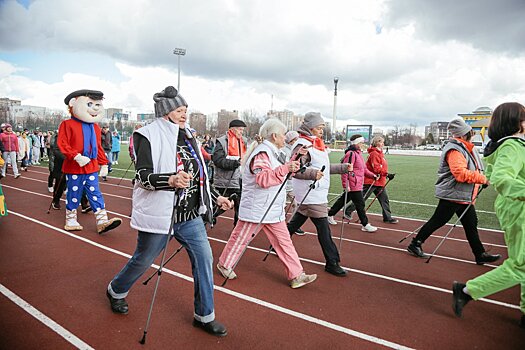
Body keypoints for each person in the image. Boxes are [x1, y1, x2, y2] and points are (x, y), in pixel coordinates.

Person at [107, 86, 231, 336]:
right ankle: (116, 290)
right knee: (143, 259)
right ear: (166, 112)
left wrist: (215, 198)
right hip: (161, 214)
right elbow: (142, 177)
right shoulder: (146, 135)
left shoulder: (189, 136)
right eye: (179, 110)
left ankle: (204, 315)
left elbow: (200, 177)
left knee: (205, 259)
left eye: (186, 110)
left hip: (190, 216)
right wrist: (170, 181)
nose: (185, 114)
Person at [217, 119, 317, 288]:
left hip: (271, 208)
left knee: (284, 242)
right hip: (258, 208)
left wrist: (296, 158)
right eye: (283, 135)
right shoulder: (262, 153)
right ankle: (224, 264)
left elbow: (280, 170)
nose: (285, 138)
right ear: (274, 135)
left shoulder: (272, 152)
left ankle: (297, 275)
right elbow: (263, 179)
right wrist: (287, 168)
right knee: (240, 239)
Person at [452, 102, 525, 328]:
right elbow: (503, 179)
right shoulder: (512, 146)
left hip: (515, 206)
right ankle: (467, 290)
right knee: (520, 265)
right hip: (519, 208)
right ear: (516, 122)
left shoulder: (510, 145)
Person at [406, 118, 501, 265]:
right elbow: (460, 174)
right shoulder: (455, 150)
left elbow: (474, 169)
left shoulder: (466, 148)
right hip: (453, 194)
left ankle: (479, 253)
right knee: (438, 221)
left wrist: (481, 179)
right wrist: (482, 179)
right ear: (463, 134)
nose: (472, 134)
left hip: (462, 195)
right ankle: (415, 244)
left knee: (471, 223)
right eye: (470, 132)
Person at [287, 112, 352, 277]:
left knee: (296, 222)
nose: (322, 130)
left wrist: (343, 168)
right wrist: (312, 174)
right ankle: (332, 261)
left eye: (323, 127)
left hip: (315, 191)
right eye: (319, 127)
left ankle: (278, 244)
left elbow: (323, 168)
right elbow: (294, 169)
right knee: (324, 228)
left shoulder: (316, 144)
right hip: (311, 192)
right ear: (310, 127)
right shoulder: (304, 145)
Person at [58, 89, 121, 234]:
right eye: (90, 104)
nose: (95, 108)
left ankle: (102, 220)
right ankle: (71, 219)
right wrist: (76, 156)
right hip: (74, 167)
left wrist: (104, 162)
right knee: (74, 192)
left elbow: (98, 147)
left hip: (91, 167)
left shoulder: (95, 127)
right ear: (74, 104)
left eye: (97, 104)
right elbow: (63, 143)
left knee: (95, 192)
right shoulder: (67, 124)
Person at [327, 135, 379, 232]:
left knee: (343, 201)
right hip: (353, 184)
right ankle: (365, 224)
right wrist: (346, 185)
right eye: (361, 143)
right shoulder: (351, 154)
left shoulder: (358, 153)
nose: (362, 144)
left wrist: (372, 175)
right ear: (356, 143)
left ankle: (330, 215)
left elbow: (363, 169)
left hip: (358, 183)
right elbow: (345, 169)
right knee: (360, 204)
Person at [343, 135, 398, 224]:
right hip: (371, 181)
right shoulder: (374, 154)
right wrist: (386, 174)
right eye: (380, 141)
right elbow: (376, 168)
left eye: (383, 141)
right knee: (362, 199)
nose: (383, 143)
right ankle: (348, 210)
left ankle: (387, 217)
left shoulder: (380, 153)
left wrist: (385, 174)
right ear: (376, 143)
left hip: (380, 181)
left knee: (384, 199)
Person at [212, 119, 248, 226]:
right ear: (232, 129)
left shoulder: (243, 141)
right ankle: (207, 218)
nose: (242, 132)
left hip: (239, 180)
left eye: (242, 130)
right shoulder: (222, 142)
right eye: (240, 130)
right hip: (225, 181)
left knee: (240, 208)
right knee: (221, 206)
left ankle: (237, 230)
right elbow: (217, 160)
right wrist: (235, 163)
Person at [282, 130, 305, 235]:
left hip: (292, 185)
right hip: (283, 184)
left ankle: (292, 224)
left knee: (297, 205)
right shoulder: (284, 151)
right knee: (280, 206)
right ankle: (278, 225)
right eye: (295, 139)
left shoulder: (297, 150)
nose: (297, 141)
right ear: (290, 141)